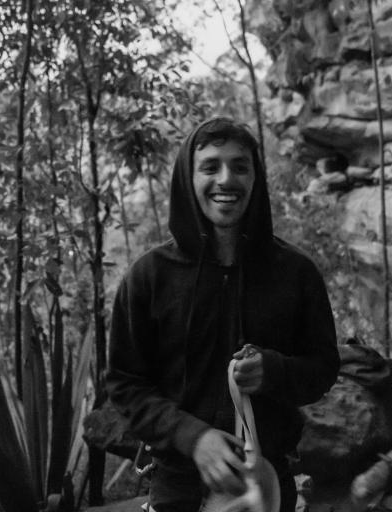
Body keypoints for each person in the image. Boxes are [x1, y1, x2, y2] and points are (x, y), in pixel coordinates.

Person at [106, 117, 339, 512]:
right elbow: (125, 384)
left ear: (256, 178)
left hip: (266, 484)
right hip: (177, 488)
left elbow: (323, 368)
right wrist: (192, 437)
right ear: (188, 178)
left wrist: (274, 371)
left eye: (240, 166)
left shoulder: (296, 273)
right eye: (211, 166)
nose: (226, 179)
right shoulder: (149, 276)